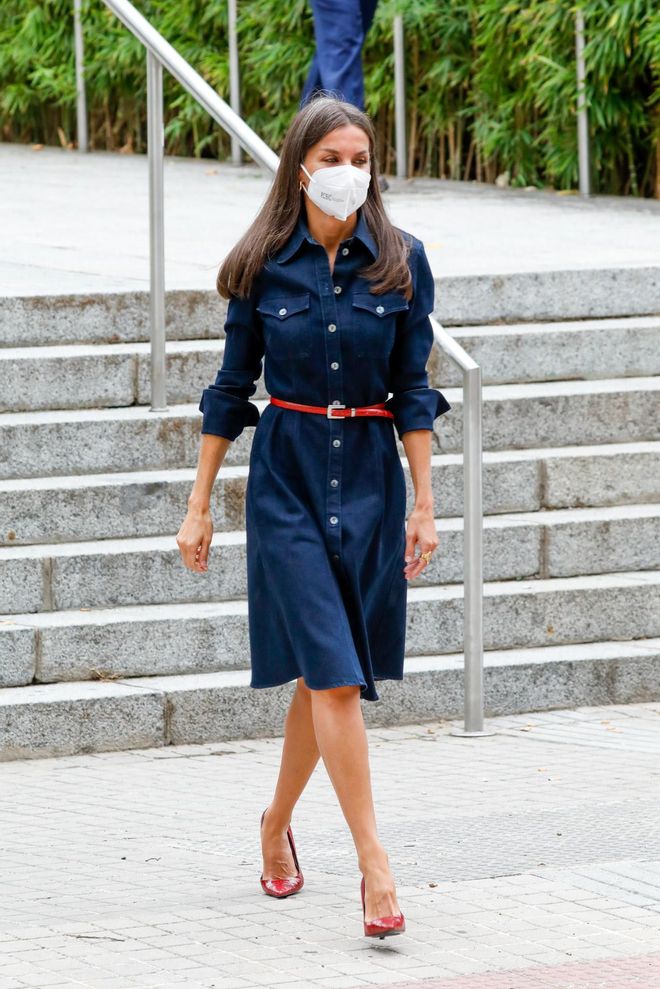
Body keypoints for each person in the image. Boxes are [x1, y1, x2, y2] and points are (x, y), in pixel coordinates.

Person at [176, 93, 451, 939]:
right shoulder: (262, 266)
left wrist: (423, 503)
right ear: (300, 166)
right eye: (331, 159)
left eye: (360, 159)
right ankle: (376, 866)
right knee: (335, 675)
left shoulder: (402, 262)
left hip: (369, 481)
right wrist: (199, 506)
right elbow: (230, 392)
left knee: (322, 677)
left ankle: (273, 822)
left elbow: (413, 391)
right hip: (288, 481)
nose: (348, 174)